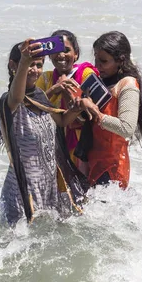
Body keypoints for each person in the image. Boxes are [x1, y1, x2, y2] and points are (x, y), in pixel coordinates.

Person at [0, 39, 89, 226]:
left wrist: (77, 109)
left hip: (48, 186)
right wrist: (25, 61)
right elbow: (17, 96)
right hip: (24, 189)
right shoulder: (11, 102)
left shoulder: (40, 96)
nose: (35, 70)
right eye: (30, 64)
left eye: (39, 65)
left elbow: (61, 121)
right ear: (13, 65)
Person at [75, 31, 142, 199]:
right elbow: (85, 120)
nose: (97, 66)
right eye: (96, 59)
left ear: (120, 60)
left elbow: (126, 128)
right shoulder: (101, 81)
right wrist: (79, 106)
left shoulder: (127, 85)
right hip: (90, 160)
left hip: (111, 166)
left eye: (103, 61)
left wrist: (96, 113)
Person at [36, 30, 98, 174]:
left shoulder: (87, 74)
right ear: (50, 55)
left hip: (82, 146)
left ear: (76, 53)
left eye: (66, 50)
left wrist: (66, 92)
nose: (61, 55)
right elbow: (31, 106)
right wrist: (53, 90)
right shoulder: (46, 78)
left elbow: (87, 116)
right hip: (52, 144)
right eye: (56, 51)